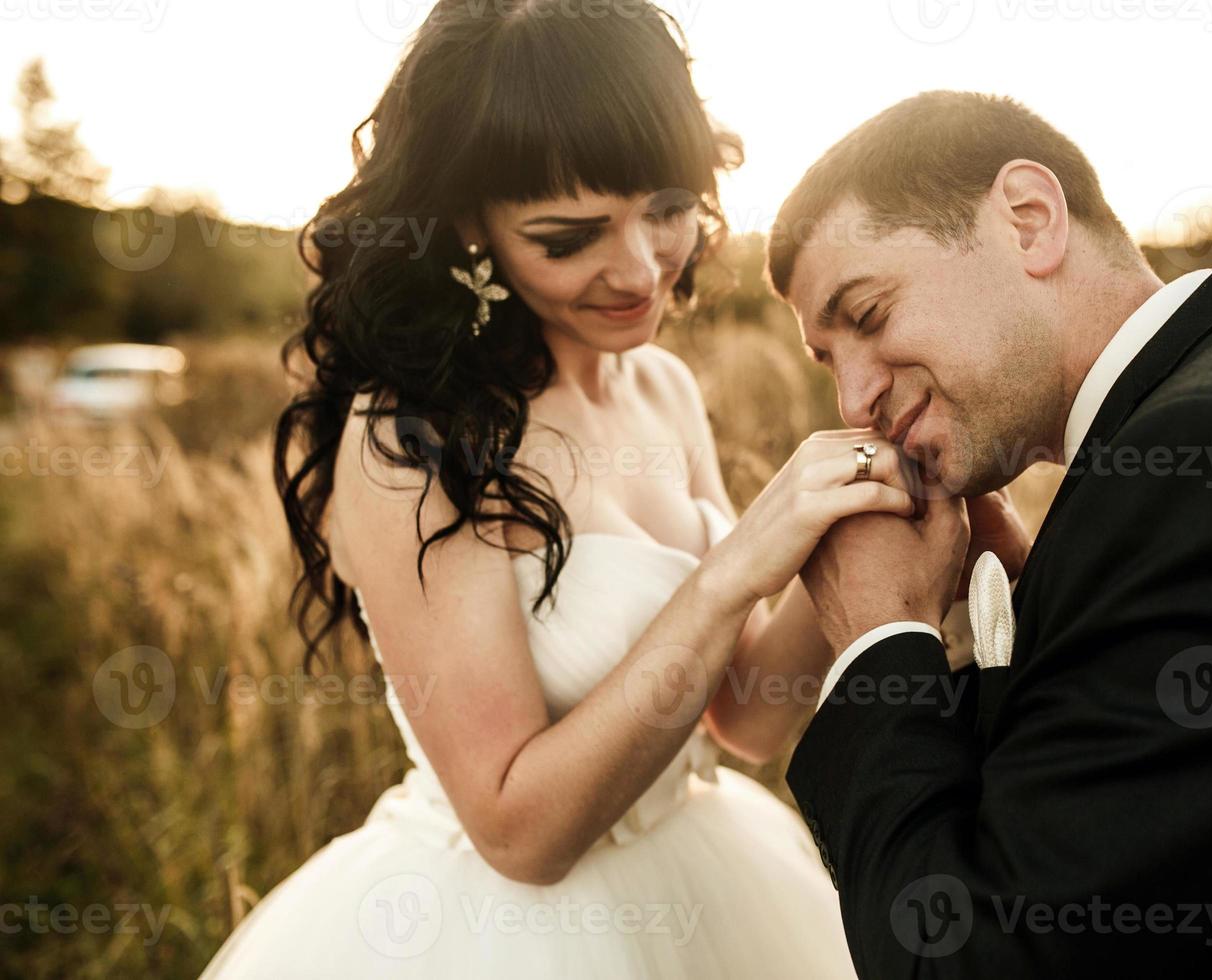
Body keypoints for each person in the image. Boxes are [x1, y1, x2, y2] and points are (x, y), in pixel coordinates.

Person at [203, 3, 914, 975]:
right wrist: (735, 568)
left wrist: (853, 512)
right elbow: (517, 831)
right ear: (468, 223)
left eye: (666, 209)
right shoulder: (415, 441)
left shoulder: (659, 384)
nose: (638, 268)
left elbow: (743, 716)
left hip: (709, 882)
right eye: (569, 235)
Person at [768, 90, 1212, 978]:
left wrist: (879, 641)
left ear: (1028, 220)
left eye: (868, 316)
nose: (854, 400)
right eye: (829, 360)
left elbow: (972, 956)